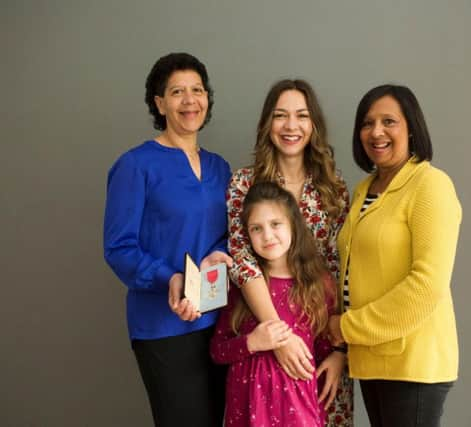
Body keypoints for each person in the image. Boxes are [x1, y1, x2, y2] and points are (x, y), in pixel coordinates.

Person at [103, 52, 231, 427]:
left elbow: (228, 236)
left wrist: (216, 258)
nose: (190, 100)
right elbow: (119, 248)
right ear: (160, 103)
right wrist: (171, 278)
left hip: (218, 322)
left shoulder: (219, 167)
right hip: (162, 326)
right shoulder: (135, 166)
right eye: (177, 92)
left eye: (197, 90)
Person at [328, 84, 462, 427]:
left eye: (389, 121)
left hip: (412, 362)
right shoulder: (364, 190)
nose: (376, 132)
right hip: (372, 358)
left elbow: (426, 286)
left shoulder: (431, 186)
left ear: (412, 128)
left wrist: (346, 327)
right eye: (367, 123)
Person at [226, 79, 353, 425]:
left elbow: (340, 269)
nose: (291, 126)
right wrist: (279, 337)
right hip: (264, 345)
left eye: (301, 115)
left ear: (314, 125)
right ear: (268, 123)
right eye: (281, 115)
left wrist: (341, 350)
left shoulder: (333, 188)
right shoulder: (243, 184)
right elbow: (242, 261)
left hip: (320, 347)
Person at [212, 181, 342, 426]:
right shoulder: (242, 288)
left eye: (275, 224)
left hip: (299, 411)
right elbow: (218, 350)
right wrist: (252, 342)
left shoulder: (318, 286)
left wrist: (338, 356)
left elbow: (323, 352)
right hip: (247, 412)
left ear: (293, 224)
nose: (267, 236)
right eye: (256, 228)